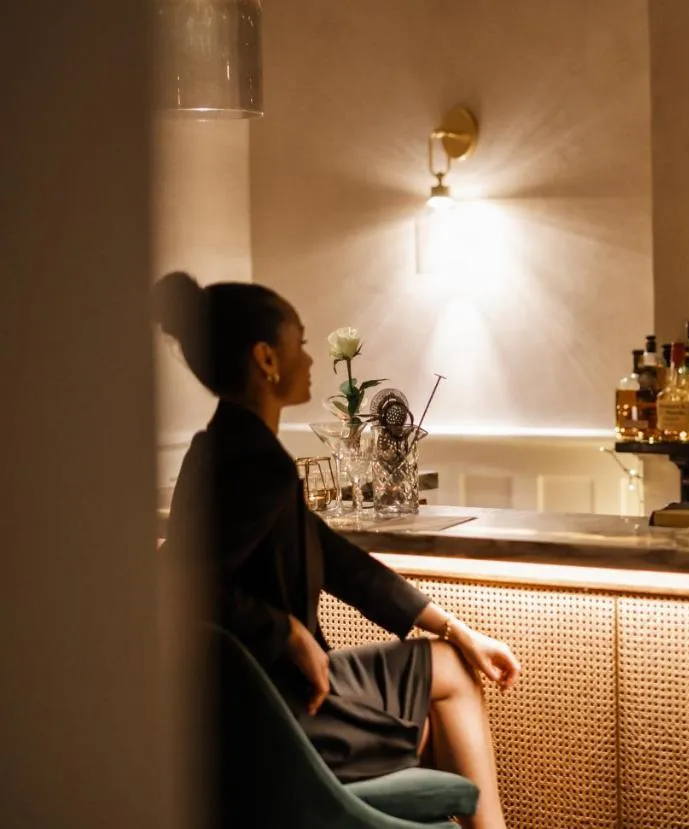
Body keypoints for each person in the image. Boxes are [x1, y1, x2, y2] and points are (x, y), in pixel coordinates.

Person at [155, 272, 518, 829]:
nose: (309, 359)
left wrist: (456, 629)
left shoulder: (220, 447)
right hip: (279, 714)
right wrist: (285, 630)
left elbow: (344, 564)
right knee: (443, 689)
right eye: (299, 343)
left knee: (446, 671)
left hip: (247, 707)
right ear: (266, 358)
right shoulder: (254, 462)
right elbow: (180, 584)